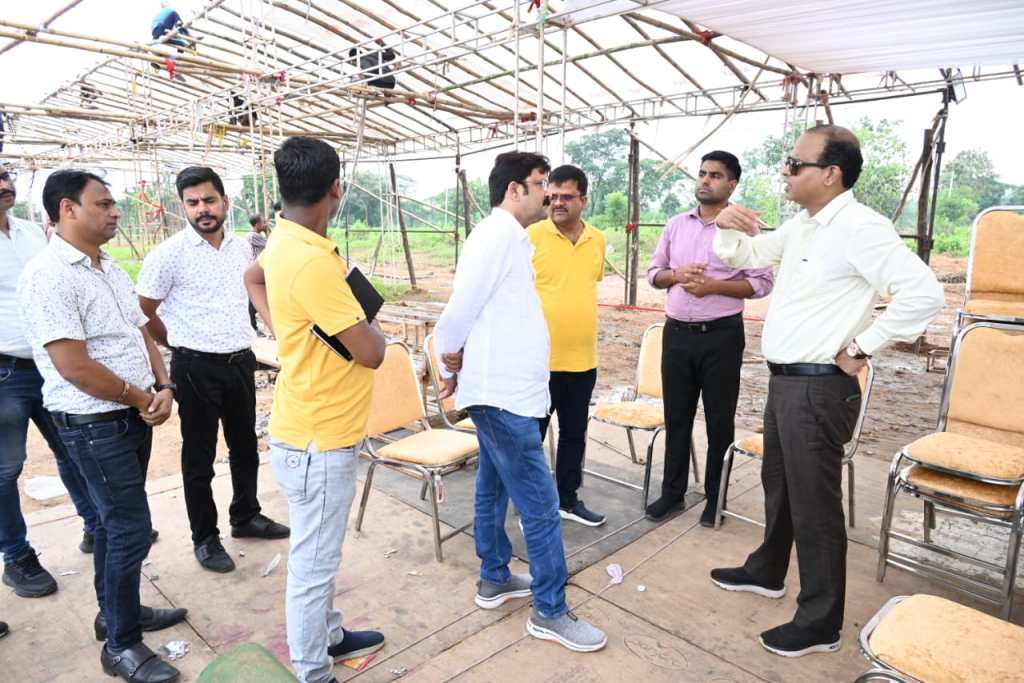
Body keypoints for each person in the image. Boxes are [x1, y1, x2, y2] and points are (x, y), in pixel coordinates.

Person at [708, 125, 944, 657]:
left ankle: (820, 621)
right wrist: (725, 226)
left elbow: (923, 293)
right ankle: (767, 569)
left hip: (818, 388)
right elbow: (744, 253)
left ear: (831, 173)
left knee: (815, 507)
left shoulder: (861, 228)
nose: (786, 171)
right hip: (787, 382)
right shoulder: (804, 224)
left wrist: (863, 345)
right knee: (780, 484)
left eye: (796, 164)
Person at [18, 170, 187, 683]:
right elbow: (74, 366)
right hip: (95, 424)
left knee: (118, 527)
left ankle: (116, 615)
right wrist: (142, 396)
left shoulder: (107, 266)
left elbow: (140, 331)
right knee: (129, 529)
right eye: (104, 204)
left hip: (130, 415)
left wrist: (164, 385)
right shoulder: (49, 275)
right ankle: (121, 646)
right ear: (67, 209)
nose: (116, 213)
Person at [435, 152, 607, 653]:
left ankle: (494, 577)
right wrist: (447, 365)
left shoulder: (511, 237)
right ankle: (550, 610)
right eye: (540, 184)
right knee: (541, 505)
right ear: (515, 189)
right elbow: (459, 309)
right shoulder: (495, 236)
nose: (548, 194)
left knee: (492, 488)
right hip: (501, 396)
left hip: (510, 392)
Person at [245, 136, 386, 683]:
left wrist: (290, 331)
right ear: (335, 189)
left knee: (318, 554)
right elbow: (371, 353)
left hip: (304, 427)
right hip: (319, 438)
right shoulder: (311, 262)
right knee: (313, 565)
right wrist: (369, 325)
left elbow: (252, 278)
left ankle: (329, 635)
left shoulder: (284, 239)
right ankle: (313, 671)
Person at [137, 167, 288, 574]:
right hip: (195, 366)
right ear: (183, 207)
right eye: (192, 203)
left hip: (240, 360)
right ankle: (205, 537)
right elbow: (143, 312)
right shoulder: (169, 254)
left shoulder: (243, 249)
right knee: (199, 457)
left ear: (225, 202)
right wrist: (175, 344)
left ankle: (246, 516)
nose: (202, 209)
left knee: (245, 446)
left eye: (208, 200)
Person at [645, 151, 774, 526]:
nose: (705, 180)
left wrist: (712, 286)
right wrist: (677, 275)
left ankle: (715, 499)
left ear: (732, 185)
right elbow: (654, 274)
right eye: (702, 173)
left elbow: (762, 283)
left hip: (721, 337)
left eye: (715, 175)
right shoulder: (676, 225)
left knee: (719, 420)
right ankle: (672, 494)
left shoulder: (746, 229)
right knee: (677, 417)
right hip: (676, 335)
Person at [0, 167, 100, 598]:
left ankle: (96, 525)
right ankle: (16, 556)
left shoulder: (29, 232)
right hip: (5, 372)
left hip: (51, 366)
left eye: (6, 175)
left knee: (72, 450)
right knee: (5, 469)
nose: (5, 184)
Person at [526, 164, 607, 527]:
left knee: (574, 435)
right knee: (532, 438)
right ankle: (531, 506)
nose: (558, 203)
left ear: (583, 200)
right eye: (552, 196)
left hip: (582, 359)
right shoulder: (531, 237)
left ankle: (567, 500)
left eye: (566, 197)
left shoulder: (597, 240)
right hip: (538, 361)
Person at [245, 214, 270, 332]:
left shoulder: (253, 235)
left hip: (256, 272)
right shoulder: (253, 236)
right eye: (263, 223)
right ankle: (254, 327)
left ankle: (254, 326)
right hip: (257, 273)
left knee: (254, 300)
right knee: (256, 301)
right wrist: (267, 231)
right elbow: (272, 244)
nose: (265, 225)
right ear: (257, 225)